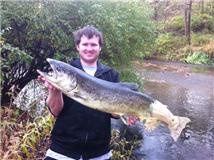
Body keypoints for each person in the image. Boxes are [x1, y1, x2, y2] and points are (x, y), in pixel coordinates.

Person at [38, 25, 138, 160]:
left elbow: (113, 113)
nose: (89, 48)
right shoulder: (67, 71)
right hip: (62, 150)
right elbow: (55, 111)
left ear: (100, 48)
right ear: (77, 47)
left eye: (93, 44)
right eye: (85, 44)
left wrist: (127, 112)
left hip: (99, 152)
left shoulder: (111, 75)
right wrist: (54, 90)